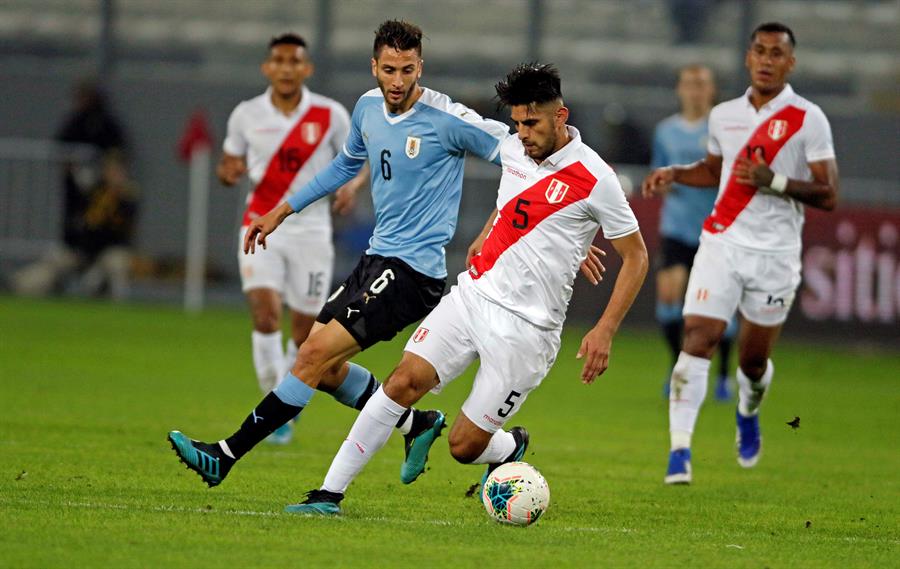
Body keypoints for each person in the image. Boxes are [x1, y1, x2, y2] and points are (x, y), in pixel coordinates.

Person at [168, 21, 603, 489]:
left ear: (421, 68)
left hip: (413, 273)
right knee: (326, 371)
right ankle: (417, 425)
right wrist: (284, 209)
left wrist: (555, 234)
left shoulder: (448, 119)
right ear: (374, 67)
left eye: (407, 70)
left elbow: (528, 157)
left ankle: (225, 455)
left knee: (310, 356)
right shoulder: (367, 109)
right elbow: (346, 163)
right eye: (390, 70)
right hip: (375, 260)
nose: (398, 81)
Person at [285, 63, 648, 515]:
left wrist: (605, 329)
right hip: (473, 297)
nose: (522, 134)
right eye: (517, 123)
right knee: (402, 382)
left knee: (463, 446)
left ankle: (509, 446)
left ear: (560, 116)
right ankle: (328, 494)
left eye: (532, 123)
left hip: (528, 331)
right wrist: (488, 230)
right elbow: (516, 201)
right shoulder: (514, 149)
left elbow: (636, 257)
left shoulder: (596, 178)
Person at [642, 22, 839, 485]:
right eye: (760, 51)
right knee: (698, 336)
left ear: (790, 63)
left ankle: (748, 412)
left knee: (753, 362)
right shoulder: (724, 116)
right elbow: (717, 170)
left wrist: (775, 181)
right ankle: (679, 451)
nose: (767, 60)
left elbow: (829, 193)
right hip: (722, 241)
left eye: (776, 53)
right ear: (748, 58)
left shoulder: (808, 118)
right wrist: (676, 173)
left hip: (775, 255)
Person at [216, 33, 367, 445]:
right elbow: (229, 162)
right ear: (267, 68)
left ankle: (281, 401)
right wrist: (228, 172)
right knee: (265, 315)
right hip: (260, 226)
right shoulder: (246, 114)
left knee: (304, 335)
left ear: (306, 68)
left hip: (312, 233)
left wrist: (352, 187)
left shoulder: (330, 114)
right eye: (279, 61)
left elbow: (359, 159)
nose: (286, 68)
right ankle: (274, 410)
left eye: (294, 61)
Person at [651, 64, 735, 402]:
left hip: (715, 230)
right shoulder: (665, 131)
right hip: (676, 226)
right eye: (689, 83)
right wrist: (662, 183)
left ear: (712, 90)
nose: (695, 90)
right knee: (669, 295)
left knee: (716, 305)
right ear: (679, 89)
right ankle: (677, 369)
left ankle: (724, 375)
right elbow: (659, 169)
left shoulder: (724, 130)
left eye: (701, 84)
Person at [11, 150, 138, 300]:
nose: (114, 174)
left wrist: (118, 196)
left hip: (106, 254)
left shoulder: (127, 196)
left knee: (115, 264)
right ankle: (20, 285)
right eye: (110, 169)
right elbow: (75, 208)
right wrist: (71, 177)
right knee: (42, 271)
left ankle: (117, 303)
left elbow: (119, 232)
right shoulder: (93, 190)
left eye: (118, 170)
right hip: (80, 251)